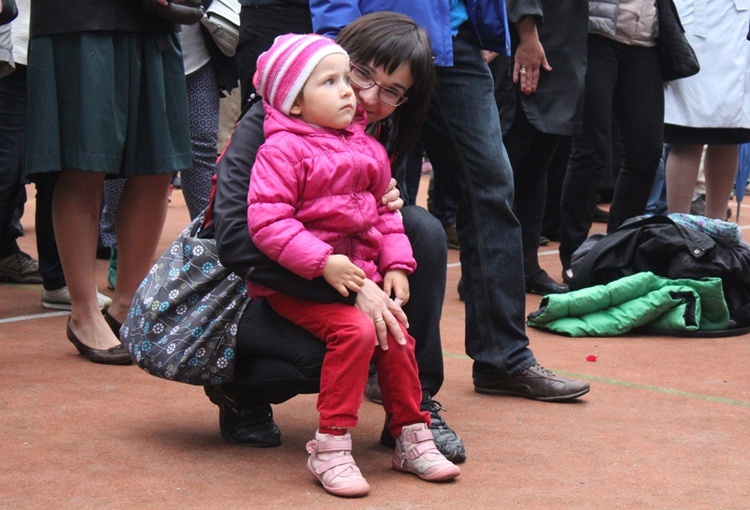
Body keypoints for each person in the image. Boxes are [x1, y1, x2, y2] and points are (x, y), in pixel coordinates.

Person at [207, 12, 466, 463]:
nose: (365, 94)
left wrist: (386, 228)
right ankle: (237, 389)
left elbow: (377, 219)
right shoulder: (273, 125)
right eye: (359, 73)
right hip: (246, 286)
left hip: (334, 269)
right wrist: (352, 291)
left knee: (419, 230)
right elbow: (236, 239)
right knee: (342, 341)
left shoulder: (365, 130)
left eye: (392, 91)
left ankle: (413, 408)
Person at [311, 0, 590, 399]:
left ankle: (504, 359)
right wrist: (340, 49)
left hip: (454, 42)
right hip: (375, 46)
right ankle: (383, 362)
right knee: (382, 201)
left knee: (492, 187)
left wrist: (488, 27)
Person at [24, 0, 192, 364]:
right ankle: (84, 311)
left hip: (154, 19)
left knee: (157, 162)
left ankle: (127, 304)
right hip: (82, 17)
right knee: (84, 161)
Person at [558, 0, 665, 281]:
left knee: (647, 151)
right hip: (597, 35)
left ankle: (620, 248)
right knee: (591, 151)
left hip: (645, 41)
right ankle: (575, 254)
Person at [496, 0, 588, 295]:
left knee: (538, 166)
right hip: (531, 32)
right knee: (504, 164)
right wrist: (527, 34)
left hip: (564, 38)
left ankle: (526, 266)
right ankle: (487, 267)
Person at [664, 0, 750, 220]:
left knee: (730, 135)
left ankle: (717, 227)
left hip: (739, 24)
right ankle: (678, 229)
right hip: (696, 25)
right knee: (688, 134)